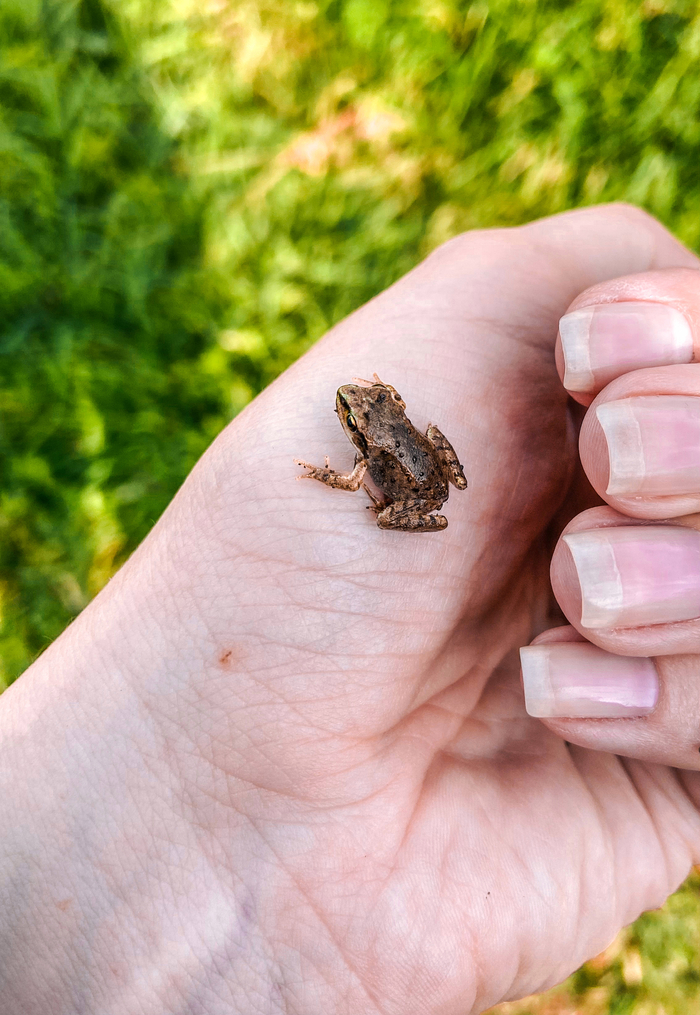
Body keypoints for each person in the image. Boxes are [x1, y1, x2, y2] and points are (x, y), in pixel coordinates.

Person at [1, 203, 699, 1015]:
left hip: (423, 498)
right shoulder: (391, 430)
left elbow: (355, 480)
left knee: (394, 502)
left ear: (372, 416)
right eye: (359, 410)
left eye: (361, 410)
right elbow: (411, 464)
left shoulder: (372, 445)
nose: (355, 411)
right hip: (440, 484)